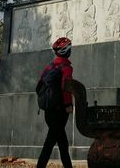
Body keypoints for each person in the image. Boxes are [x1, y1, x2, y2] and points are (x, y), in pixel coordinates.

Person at [36, 37, 74, 168]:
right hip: (60, 111)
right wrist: (68, 105)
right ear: (67, 51)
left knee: (63, 144)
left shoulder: (51, 66)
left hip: (48, 110)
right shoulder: (66, 67)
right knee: (50, 143)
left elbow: (39, 85)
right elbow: (66, 87)